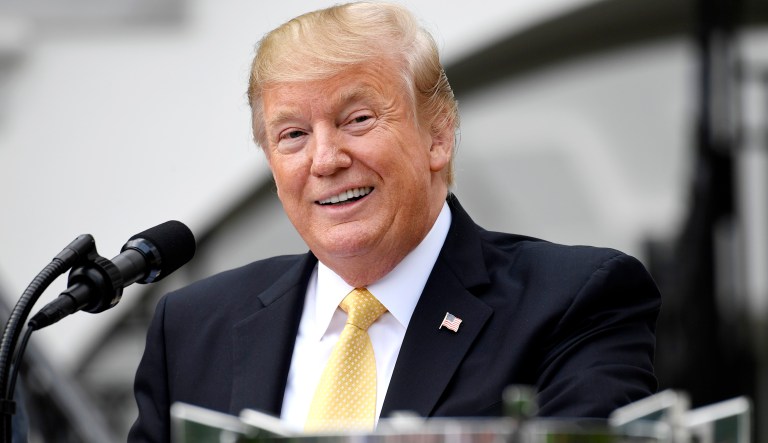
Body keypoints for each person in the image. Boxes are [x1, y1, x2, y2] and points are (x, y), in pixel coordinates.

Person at [128, 2, 660, 441]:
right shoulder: (193, 328)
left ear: (438, 137)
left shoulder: (574, 302)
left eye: (357, 120)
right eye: (292, 134)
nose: (325, 158)